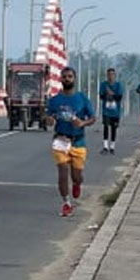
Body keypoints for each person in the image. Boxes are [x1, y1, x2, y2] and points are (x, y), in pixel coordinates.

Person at [44, 67, 96, 217]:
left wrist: (82, 123)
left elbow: (92, 118)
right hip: (60, 140)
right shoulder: (55, 101)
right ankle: (66, 203)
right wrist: (49, 120)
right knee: (62, 172)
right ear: (60, 79)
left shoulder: (82, 99)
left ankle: (77, 184)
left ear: (74, 79)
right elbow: (47, 116)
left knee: (76, 175)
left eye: (70, 76)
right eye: (64, 76)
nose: (67, 79)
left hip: (78, 142)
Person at [97, 68, 123, 154]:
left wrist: (111, 94)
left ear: (115, 75)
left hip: (115, 112)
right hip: (106, 111)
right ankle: (105, 146)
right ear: (107, 75)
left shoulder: (118, 85)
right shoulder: (103, 85)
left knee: (114, 129)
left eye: (112, 74)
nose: (110, 76)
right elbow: (101, 96)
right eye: (109, 74)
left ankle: (112, 147)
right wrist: (107, 95)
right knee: (106, 127)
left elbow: (119, 97)